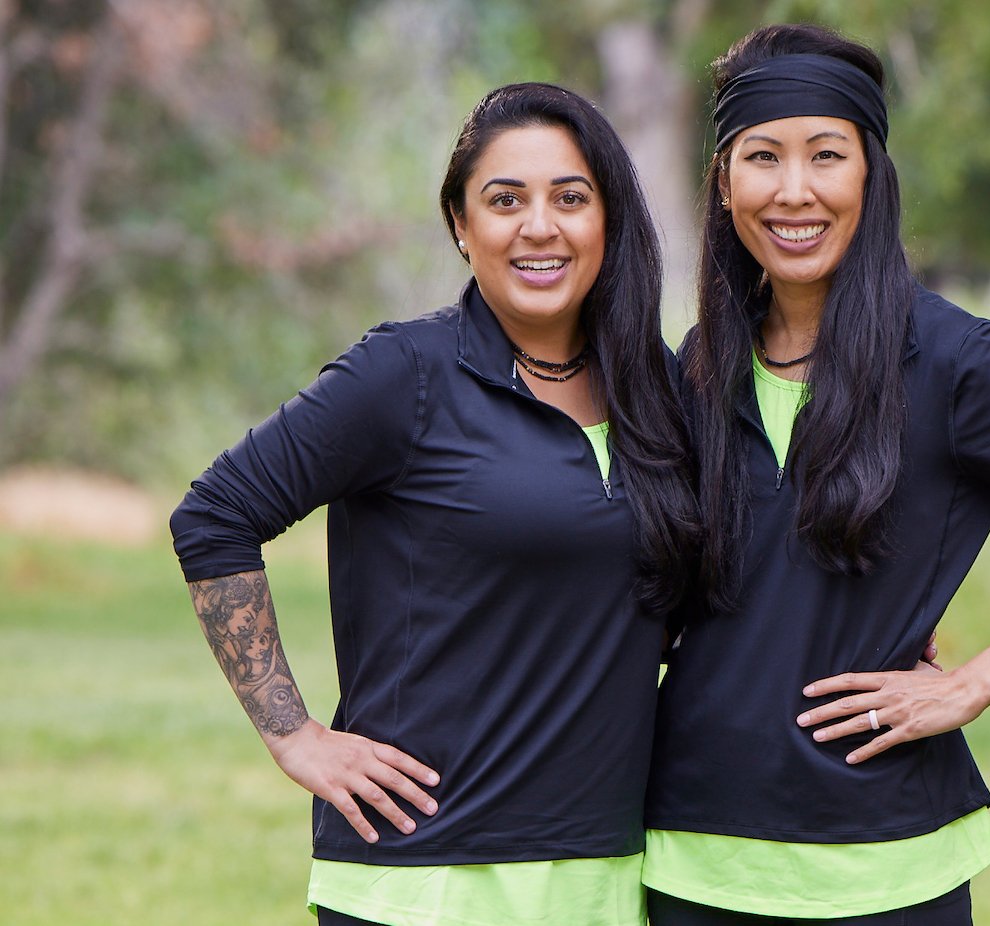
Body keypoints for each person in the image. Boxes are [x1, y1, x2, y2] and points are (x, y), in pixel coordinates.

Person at [642, 24, 990, 925]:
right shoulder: (701, 363)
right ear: (726, 183)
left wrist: (971, 683)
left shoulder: (954, 361)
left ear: (870, 177)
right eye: (763, 157)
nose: (794, 190)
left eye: (826, 155)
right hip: (689, 858)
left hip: (891, 866)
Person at [170, 82, 700, 926]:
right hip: (427, 878)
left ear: (609, 220)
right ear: (461, 224)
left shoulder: (660, 392)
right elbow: (214, 516)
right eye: (504, 200)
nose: (540, 226)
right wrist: (294, 733)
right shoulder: (405, 375)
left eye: (571, 197)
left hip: (607, 874)